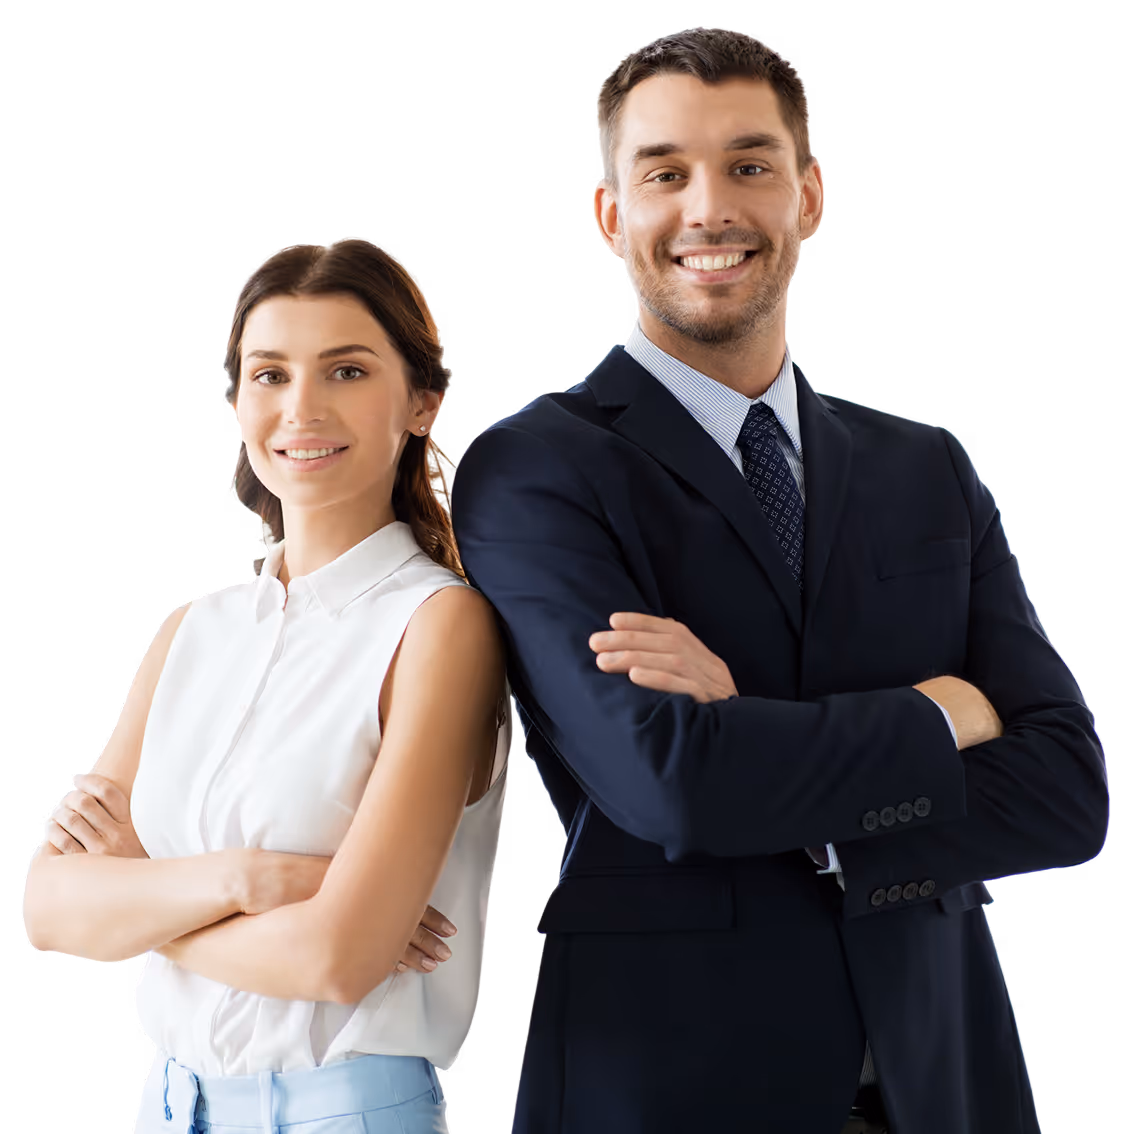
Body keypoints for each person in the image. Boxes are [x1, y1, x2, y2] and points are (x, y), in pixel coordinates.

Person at [443, 26, 1104, 1134]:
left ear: (808, 196)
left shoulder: (927, 464)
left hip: (944, 1080)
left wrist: (761, 742)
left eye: (750, 165)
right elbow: (671, 786)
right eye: (665, 173)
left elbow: (1067, 791)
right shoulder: (534, 465)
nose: (710, 210)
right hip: (667, 1086)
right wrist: (937, 716)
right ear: (612, 215)